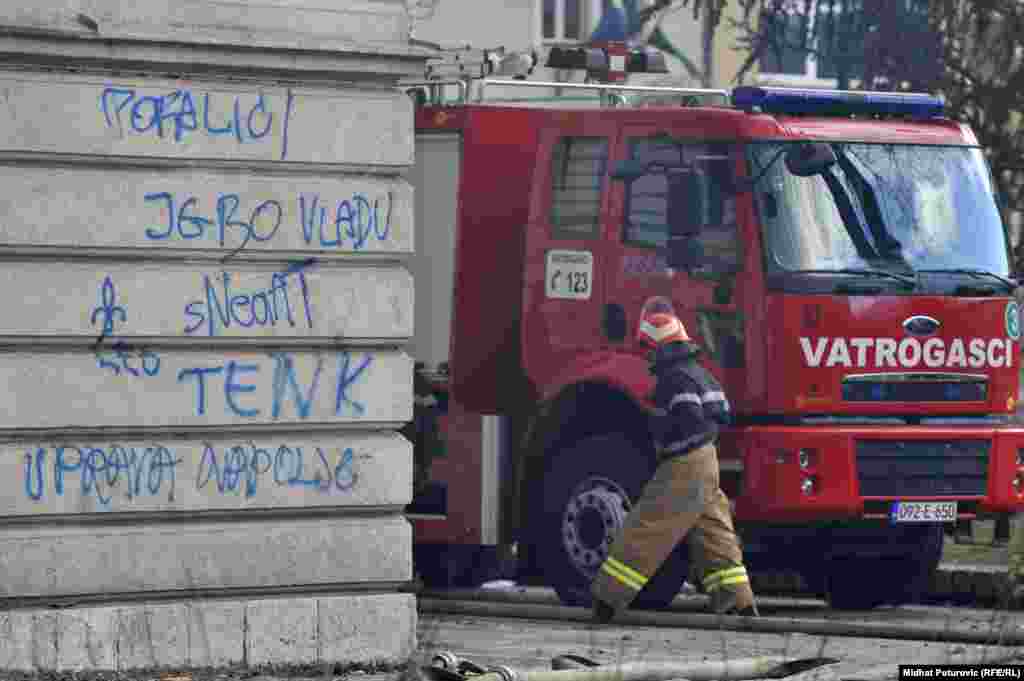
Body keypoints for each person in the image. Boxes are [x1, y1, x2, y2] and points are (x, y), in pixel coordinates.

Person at [590, 297, 758, 623]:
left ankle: (607, 600)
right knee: (714, 532)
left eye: (648, 349)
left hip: (685, 460)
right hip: (708, 458)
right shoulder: (702, 374)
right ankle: (739, 603)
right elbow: (721, 414)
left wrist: (664, 435)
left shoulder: (673, 380)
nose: (647, 357)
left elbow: (686, 418)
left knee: (649, 523)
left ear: (658, 347)